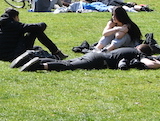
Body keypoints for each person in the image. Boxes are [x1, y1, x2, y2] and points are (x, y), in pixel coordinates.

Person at [0, 7, 67, 62]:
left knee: (35, 31)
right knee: (36, 30)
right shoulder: (16, 25)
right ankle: (56, 52)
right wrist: (43, 24)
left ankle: (56, 52)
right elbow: (37, 27)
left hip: (1, 56)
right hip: (15, 54)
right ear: (15, 17)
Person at [16, 43, 160, 72]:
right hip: (98, 61)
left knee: (65, 61)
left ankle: (33, 59)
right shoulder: (138, 54)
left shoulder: (129, 48)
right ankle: (39, 66)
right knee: (69, 66)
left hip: (95, 54)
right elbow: (151, 64)